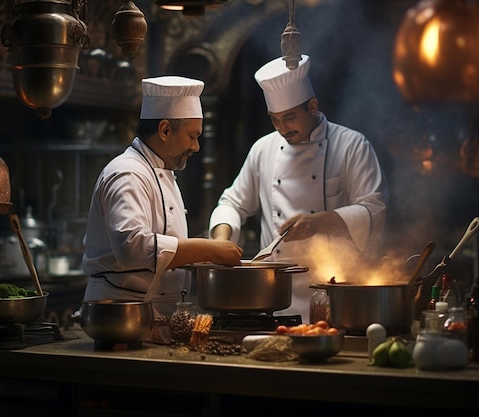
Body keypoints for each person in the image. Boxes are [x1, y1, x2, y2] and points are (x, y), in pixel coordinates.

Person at [209, 55, 389, 321]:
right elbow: (232, 203)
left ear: (313, 106)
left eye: (290, 117)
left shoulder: (352, 145)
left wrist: (318, 222)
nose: (282, 128)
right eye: (275, 120)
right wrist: (220, 243)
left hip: (332, 290)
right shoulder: (263, 149)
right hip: (272, 295)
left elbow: (375, 209)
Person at [81, 76, 243, 344]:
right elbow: (132, 246)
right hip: (119, 319)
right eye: (192, 136)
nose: (196, 147)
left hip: (152, 319)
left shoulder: (159, 171)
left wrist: (200, 259)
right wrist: (209, 248)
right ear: (165, 130)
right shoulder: (128, 173)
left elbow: (163, 250)